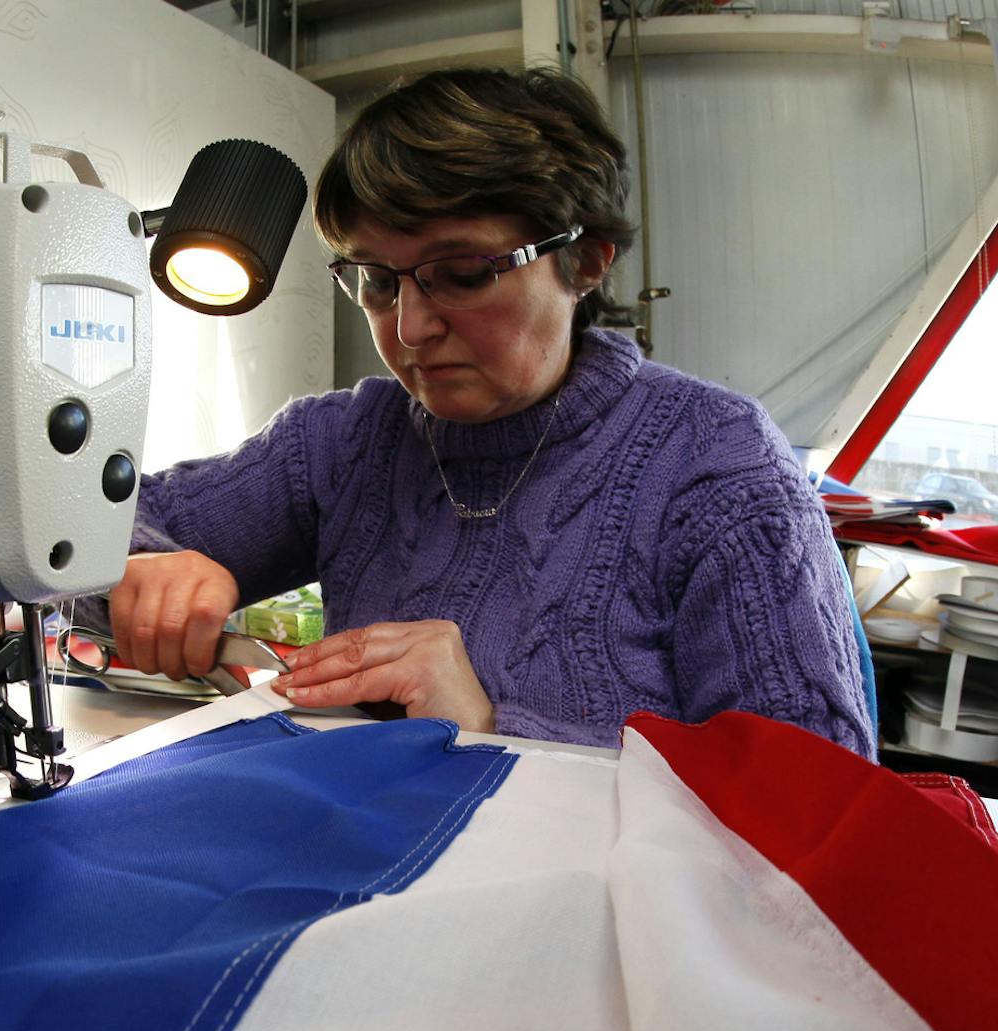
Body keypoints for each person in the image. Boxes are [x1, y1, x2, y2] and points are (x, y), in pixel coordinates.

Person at [111, 67, 872, 755]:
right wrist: (146, 567)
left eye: (464, 274)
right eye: (377, 281)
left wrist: (490, 731)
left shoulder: (717, 463)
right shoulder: (343, 442)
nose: (410, 329)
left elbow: (818, 798)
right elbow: (81, 540)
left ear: (585, 260)